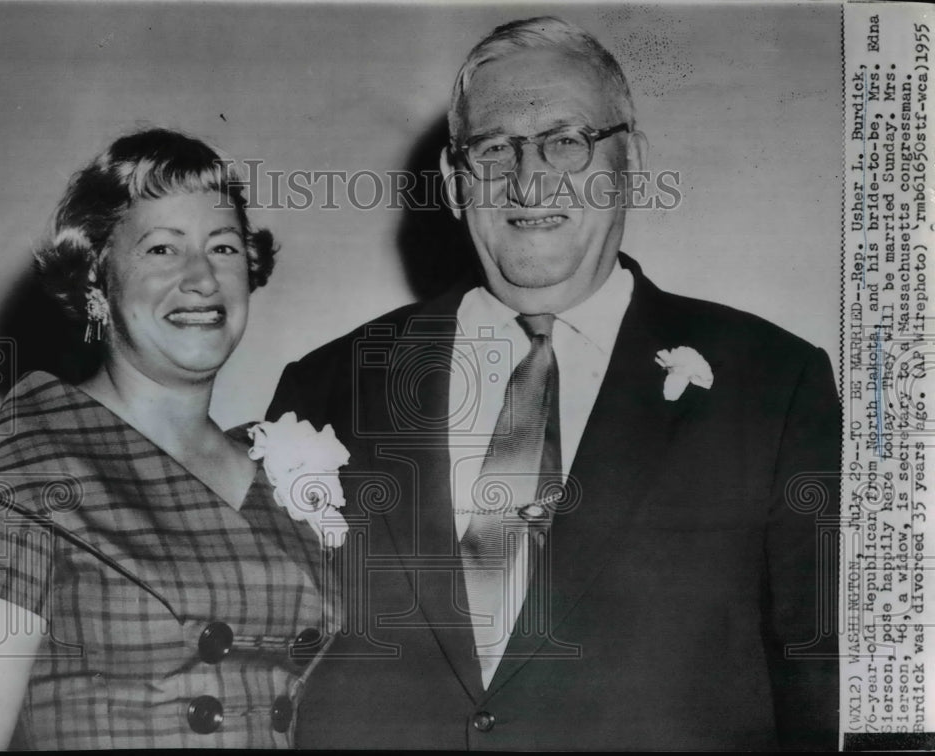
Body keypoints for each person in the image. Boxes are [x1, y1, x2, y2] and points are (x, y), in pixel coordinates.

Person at [267, 16, 839, 751]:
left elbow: (823, 683)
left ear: (628, 159)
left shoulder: (773, 383)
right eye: (495, 147)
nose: (530, 179)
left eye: (567, 140)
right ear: (453, 180)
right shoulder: (327, 388)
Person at [0, 128, 335, 749]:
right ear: (96, 280)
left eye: (223, 247)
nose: (202, 278)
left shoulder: (277, 471)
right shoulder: (16, 473)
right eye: (161, 250)